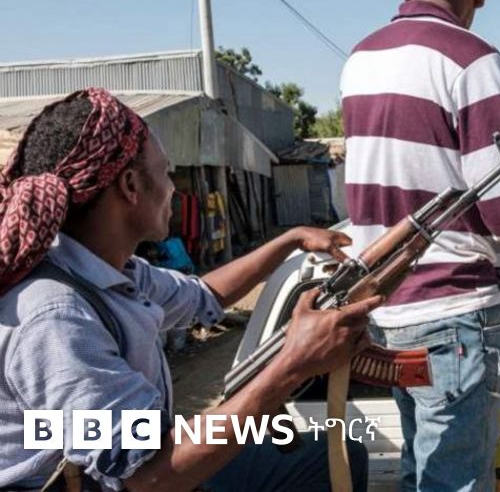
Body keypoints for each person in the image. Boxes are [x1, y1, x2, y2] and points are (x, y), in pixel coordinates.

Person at [0, 88, 375, 492]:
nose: (173, 188)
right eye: (165, 172)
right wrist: (294, 365)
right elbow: (149, 477)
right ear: (131, 186)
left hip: (139, 465)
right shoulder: (57, 318)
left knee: (332, 456)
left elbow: (204, 296)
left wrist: (289, 241)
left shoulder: (107, 271)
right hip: (138, 478)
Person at [339, 0, 500, 489]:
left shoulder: (359, 59)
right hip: (452, 315)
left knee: (422, 471)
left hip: (387, 312)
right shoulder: (470, 58)